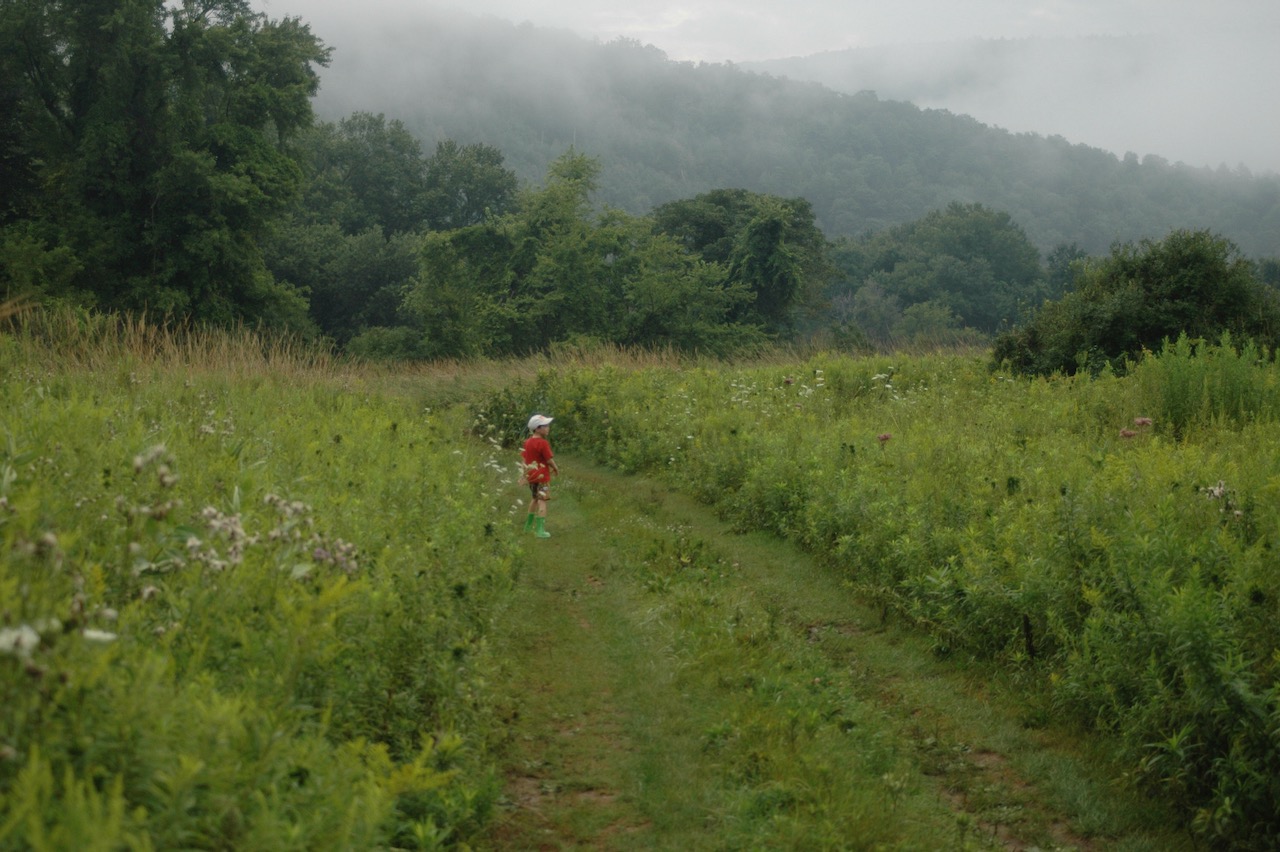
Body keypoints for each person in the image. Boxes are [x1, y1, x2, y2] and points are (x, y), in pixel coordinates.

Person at [522, 414, 559, 538]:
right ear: (537, 428)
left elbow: (524, 460)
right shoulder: (543, 443)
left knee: (534, 499)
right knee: (542, 501)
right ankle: (540, 530)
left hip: (532, 477)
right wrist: (555, 467)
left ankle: (528, 526)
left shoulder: (527, 442)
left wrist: (524, 474)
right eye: (545, 426)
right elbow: (548, 459)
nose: (548, 428)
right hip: (542, 478)